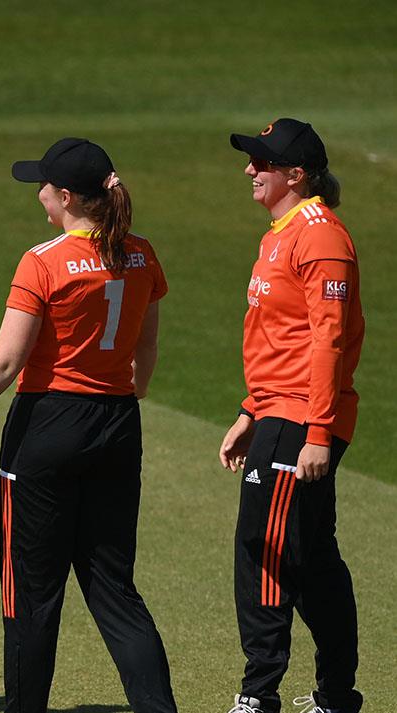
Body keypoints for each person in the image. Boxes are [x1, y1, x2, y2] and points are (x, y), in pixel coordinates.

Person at [0, 138, 177, 713]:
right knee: (114, 589)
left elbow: (5, 363)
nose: (38, 192)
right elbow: (145, 343)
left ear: (66, 197)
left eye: (43, 185)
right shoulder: (141, 252)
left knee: (33, 595)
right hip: (118, 424)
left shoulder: (42, 261)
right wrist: (132, 391)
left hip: (47, 427)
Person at [218, 119, 364, 713]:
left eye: (262, 162)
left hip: (305, 418)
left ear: (296, 175)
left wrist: (318, 433)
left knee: (265, 548)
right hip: (281, 412)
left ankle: (259, 696)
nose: (250, 169)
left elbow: (329, 340)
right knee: (308, 555)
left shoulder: (320, 237)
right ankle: (335, 694)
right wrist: (251, 410)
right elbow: (282, 337)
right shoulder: (281, 233)